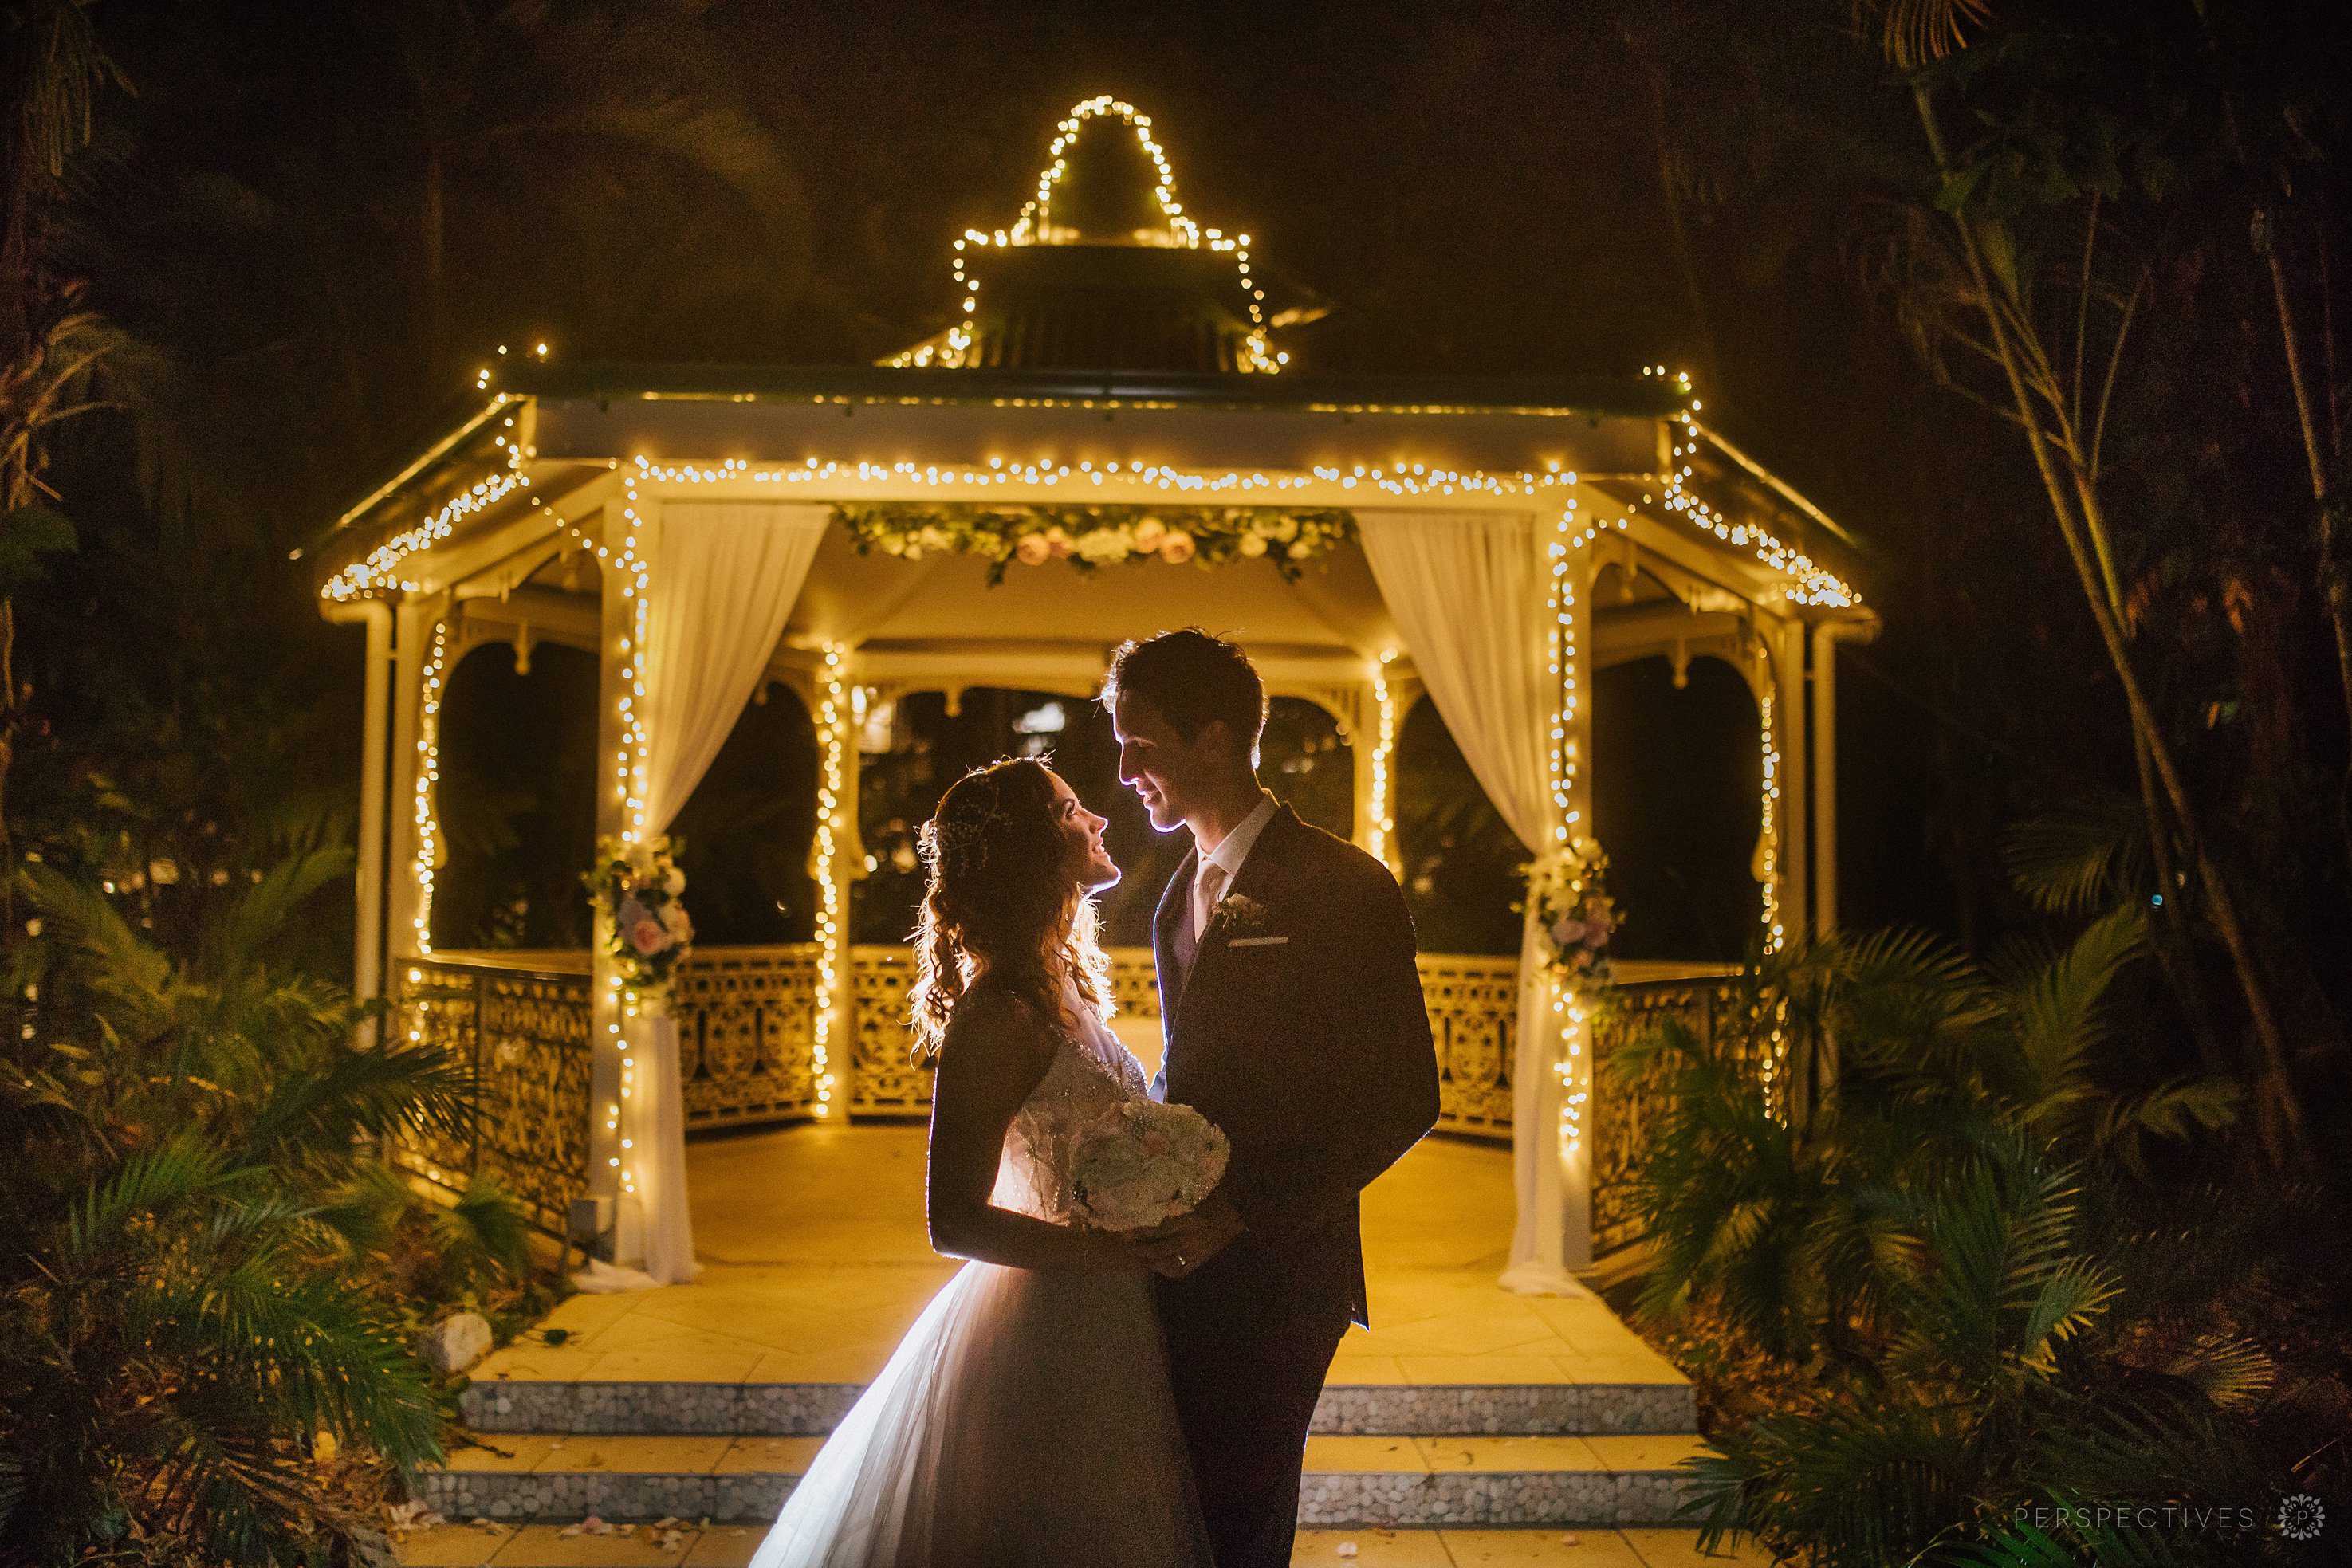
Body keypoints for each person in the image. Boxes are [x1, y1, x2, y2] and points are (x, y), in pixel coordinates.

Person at [749, 757, 1213, 1568]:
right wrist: (1102, 1252)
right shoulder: (997, 1013)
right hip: (1047, 1325)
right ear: (1032, 850)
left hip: (1116, 1307)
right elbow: (953, 1219)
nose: (1099, 819)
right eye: (1070, 810)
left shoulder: (1064, 984)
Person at [1107, 628, 1442, 1568]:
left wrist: (1242, 1208)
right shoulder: (1176, 897)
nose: (1125, 772)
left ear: (1214, 738)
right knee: (1190, 1513)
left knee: (1241, 1518)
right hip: (1184, 1267)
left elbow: (1405, 1093)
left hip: (1286, 1265)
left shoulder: (1342, 884)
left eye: (1143, 745)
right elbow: (1197, 1073)